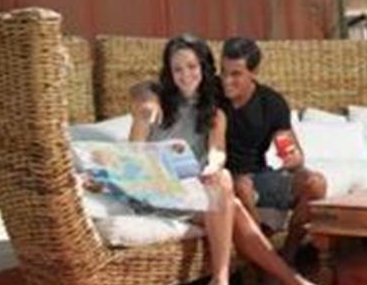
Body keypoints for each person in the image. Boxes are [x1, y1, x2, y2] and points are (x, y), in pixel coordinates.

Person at [128, 34, 311, 285]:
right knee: (231, 203)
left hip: (188, 191)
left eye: (192, 67)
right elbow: (133, 154)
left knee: (224, 187)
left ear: (203, 68)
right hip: (155, 189)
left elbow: (217, 151)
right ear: (169, 72)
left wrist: (212, 167)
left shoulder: (214, 111)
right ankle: (285, 281)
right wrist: (146, 102)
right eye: (177, 69)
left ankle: (228, 279)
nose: (185, 75)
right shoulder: (153, 103)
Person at [219, 37, 327, 263]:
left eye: (236, 74)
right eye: (224, 72)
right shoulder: (211, 94)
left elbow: (291, 149)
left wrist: (292, 158)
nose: (227, 81)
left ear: (254, 72)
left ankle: (287, 257)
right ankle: (266, 265)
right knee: (242, 185)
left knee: (316, 183)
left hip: (259, 177)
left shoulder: (271, 103)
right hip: (225, 179)